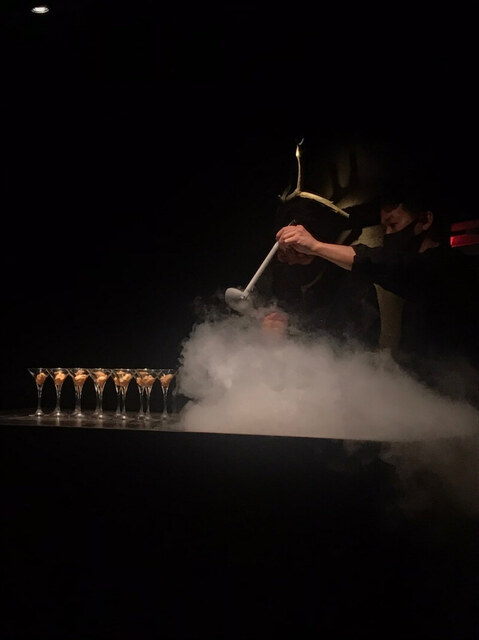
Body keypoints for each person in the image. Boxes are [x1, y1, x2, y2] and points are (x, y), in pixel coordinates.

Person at [275, 187, 479, 407]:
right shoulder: (416, 279)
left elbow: (383, 263)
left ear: (426, 220)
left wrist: (316, 247)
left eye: (393, 224)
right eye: (384, 227)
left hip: (464, 400)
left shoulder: (449, 267)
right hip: (431, 398)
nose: (388, 235)